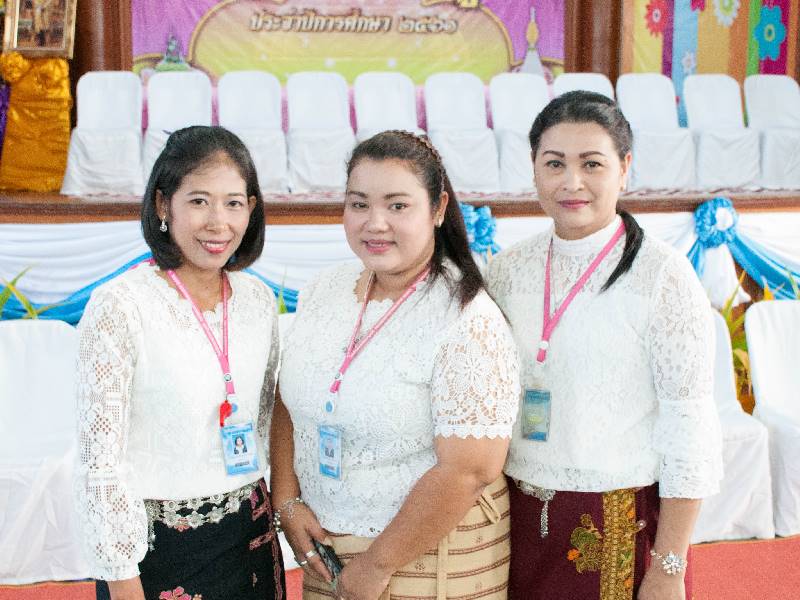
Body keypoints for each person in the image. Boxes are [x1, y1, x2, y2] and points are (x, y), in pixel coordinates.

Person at [486, 91, 723, 600]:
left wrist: (670, 567)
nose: (571, 182)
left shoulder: (663, 276)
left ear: (624, 168)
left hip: (615, 520)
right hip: (516, 513)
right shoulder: (507, 270)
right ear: (534, 168)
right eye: (554, 163)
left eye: (591, 163)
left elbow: (690, 427)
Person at [271, 130, 520, 599]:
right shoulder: (326, 289)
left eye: (398, 205)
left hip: (431, 557)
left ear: (438, 209)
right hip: (328, 549)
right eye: (359, 204)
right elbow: (291, 398)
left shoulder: (467, 318)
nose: (375, 223)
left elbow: (470, 470)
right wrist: (286, 499)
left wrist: (377, 564)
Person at [75, 126, 285, 600]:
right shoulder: (120, 306)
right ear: (162, 205)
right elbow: (99, 465)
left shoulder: (257, 300)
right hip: (156, 552)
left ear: (252, 209)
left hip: (250, 540)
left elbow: (265, 422)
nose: (218, 222)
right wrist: (122, 579)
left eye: (234, 203)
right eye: (199, 201)